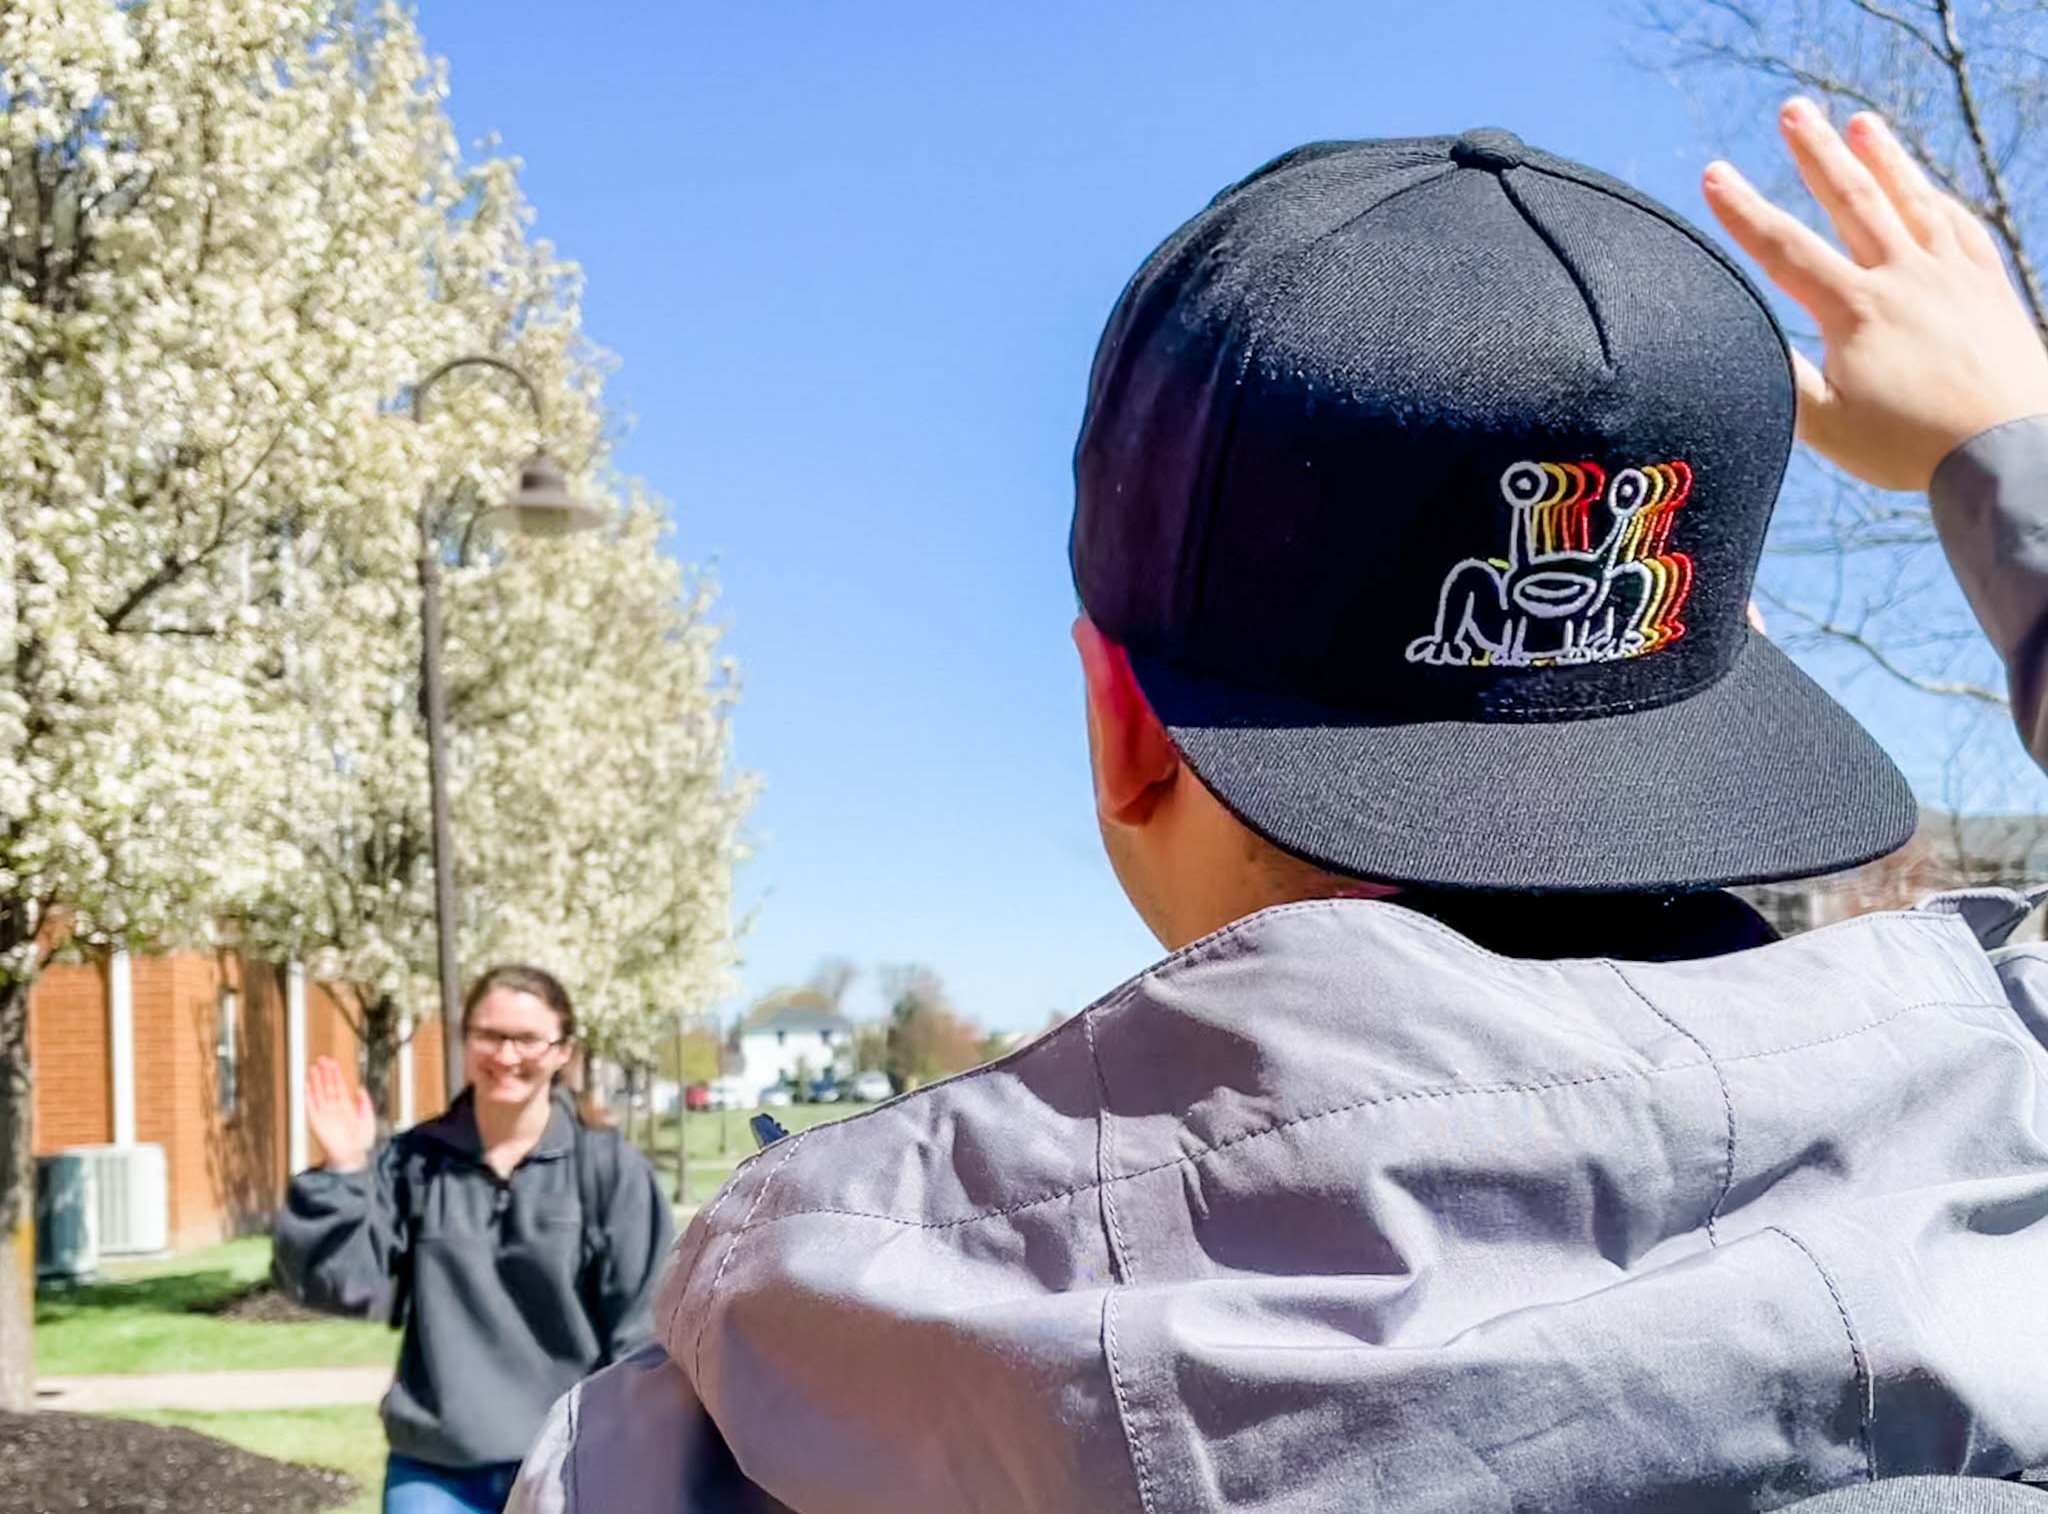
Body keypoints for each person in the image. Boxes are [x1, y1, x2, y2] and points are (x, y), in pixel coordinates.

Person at [510, 103, 2048, 1512]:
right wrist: (2009, 445)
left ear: (1125, 726)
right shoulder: (2011, 1138)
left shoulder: (753, 1413)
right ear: (1728, 655)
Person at [275, 965, 674, 1514]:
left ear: (562, 1050)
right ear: (464, 1040)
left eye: (527, 1038)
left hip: (569, 1463)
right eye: (490, 1035)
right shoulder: (415, 1161)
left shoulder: (609, 1168)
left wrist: (629, 1450)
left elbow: (644, 1329)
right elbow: (343, 1285)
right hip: (437, 1467)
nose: (506, 1056)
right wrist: (343, 1172)